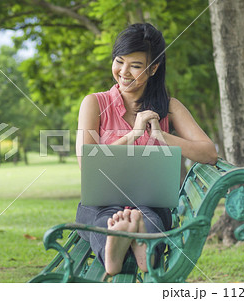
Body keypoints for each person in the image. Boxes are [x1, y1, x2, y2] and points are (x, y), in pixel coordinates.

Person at [75, 23, 218, 276]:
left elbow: (209, 153)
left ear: (153, 69)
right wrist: (133, 135)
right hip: (101, 202)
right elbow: (86, 163)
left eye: (136, 66)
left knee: (148, 217)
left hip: (148, 203)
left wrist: (161, 135)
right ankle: (118, 249)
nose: (124, 72)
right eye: (119, 61)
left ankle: (139, 245)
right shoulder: (94, 103)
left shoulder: (169, 107)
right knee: (102, 219)